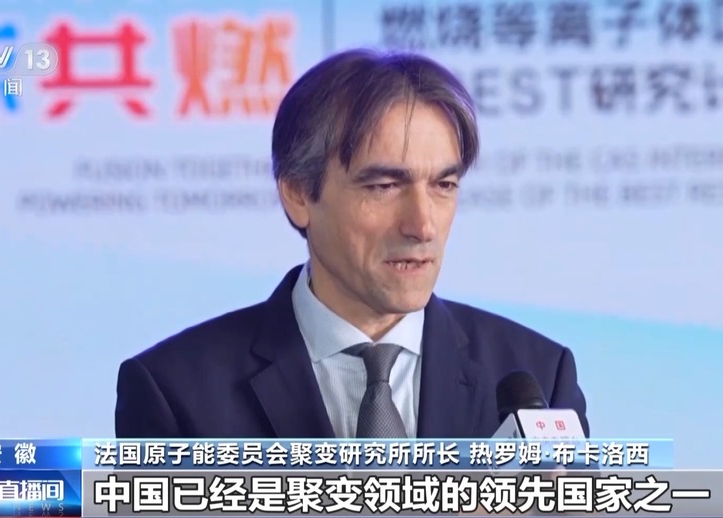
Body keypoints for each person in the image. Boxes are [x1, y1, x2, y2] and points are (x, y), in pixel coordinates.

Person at [114, 48, 589, 439]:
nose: (423, 225)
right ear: (299, 193)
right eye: (384, 186)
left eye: (444, 186)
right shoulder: (176, 393)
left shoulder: (539, 377)